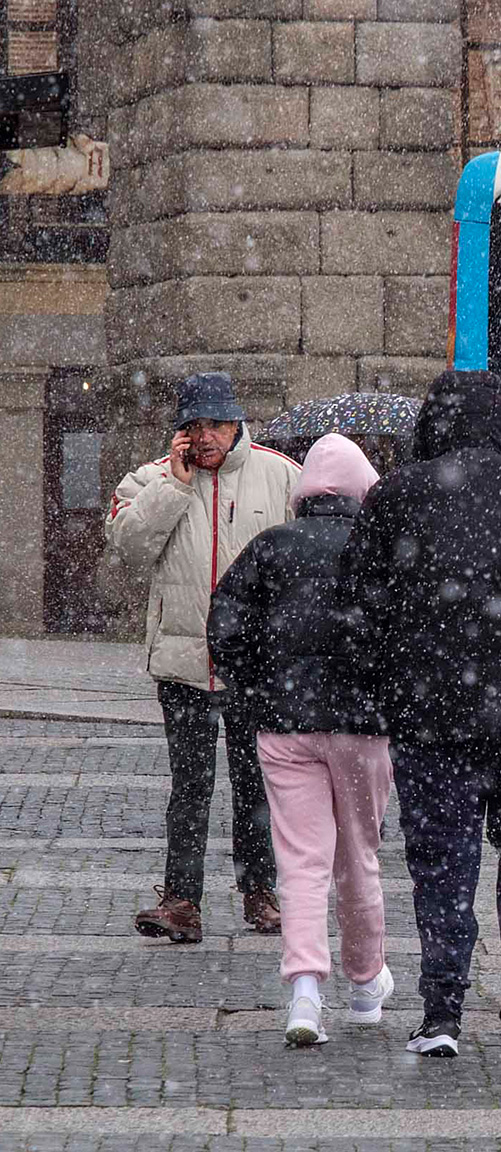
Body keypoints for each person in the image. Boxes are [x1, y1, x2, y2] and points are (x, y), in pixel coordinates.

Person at [339, 370, 501, 1057]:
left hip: (431, 720)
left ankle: (441, 1011)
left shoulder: (396, 497)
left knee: (441, 864)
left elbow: (359, 613)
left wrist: (394, 688)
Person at [207, 435, 393, 1046]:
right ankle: (366, 988)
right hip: (363, 728)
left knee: (300, 863)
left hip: (285, 725)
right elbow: (412, 636)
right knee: (358, 857)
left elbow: (225, 626)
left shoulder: (270, 547)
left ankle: (305, 994)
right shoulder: (383, 549)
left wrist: (257, 691)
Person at [106, 371, 300, 944]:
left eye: (216, 423)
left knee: (256, 784)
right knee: (189, 787)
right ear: (180, 434)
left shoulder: (281, 475)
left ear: (236, 423)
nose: (207, 435)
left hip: (256, 665)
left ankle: (260, 893)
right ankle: (182, 899)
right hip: (184, 663)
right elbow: (128, 546)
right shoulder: (151, 479)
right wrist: (175, 486)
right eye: (195, 426)